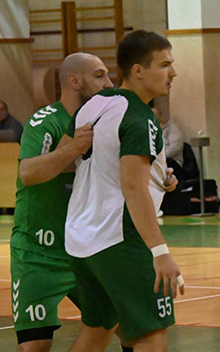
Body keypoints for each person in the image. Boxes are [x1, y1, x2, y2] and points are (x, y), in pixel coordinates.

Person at [65, 31, 185, 351]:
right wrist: (160, 252)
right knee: (152, 335)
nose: (173, 73)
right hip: (118, 238)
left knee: (97, 331)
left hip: (80, 239)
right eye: (164, 65)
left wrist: (157, 175)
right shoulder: (140, 116)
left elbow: (77, 156)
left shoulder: (94, 105)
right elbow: (132, 188)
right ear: (138, 70)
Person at [11, 53, 130, 352]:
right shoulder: (45, 120)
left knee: (133, 331)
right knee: (35, 346)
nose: (109, 83)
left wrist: (160, 177)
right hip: (38, 252)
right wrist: (75, 148)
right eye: (100, 75)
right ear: (74, 80)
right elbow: (28, 173)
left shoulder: (107, 124)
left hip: (87, 250)